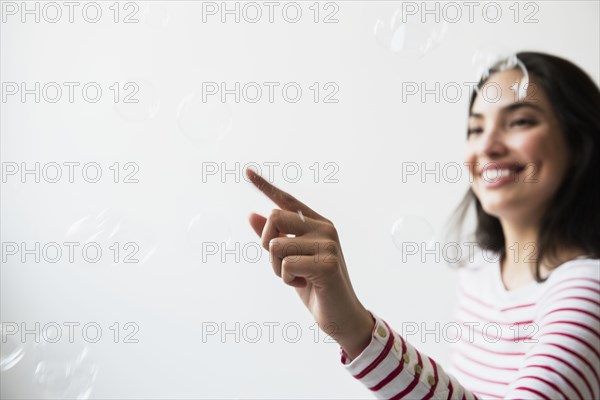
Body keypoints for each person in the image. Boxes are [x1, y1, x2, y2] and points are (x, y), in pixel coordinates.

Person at [246, 51, 600, 399]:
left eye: (520, 121)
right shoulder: (482, 273)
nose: (487, 146)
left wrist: (356, 329)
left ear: (579, 143)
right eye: (476, 128)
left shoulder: (588, 291)